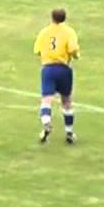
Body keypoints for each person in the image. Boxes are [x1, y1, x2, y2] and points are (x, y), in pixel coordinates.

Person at [33, 8, 79, 144]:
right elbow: (73, 49)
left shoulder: (44, 32)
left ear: (52, 18)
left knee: (46, 99)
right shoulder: (69, 32)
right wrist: (75, 56)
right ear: (64, 18)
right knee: (66, 101)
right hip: (64, 69)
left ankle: (46, 122)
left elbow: (36, 50)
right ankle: (69, 133)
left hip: (48, 69)